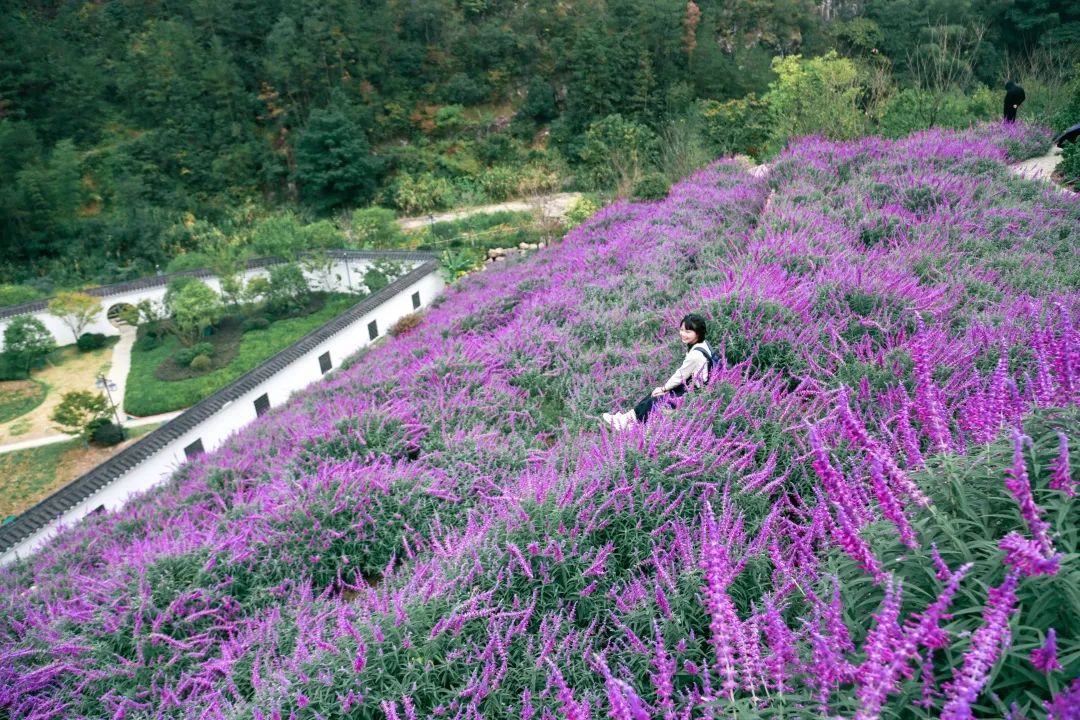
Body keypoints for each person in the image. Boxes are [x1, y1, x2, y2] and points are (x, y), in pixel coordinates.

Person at [602, 313, 713, 430]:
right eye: (682, 330)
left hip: (694, 394)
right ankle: (626, 419)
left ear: (698, 333)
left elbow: (680, 375)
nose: (683, 334)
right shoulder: (703, 344)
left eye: (688, 332)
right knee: (653, 395)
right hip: (693, 387)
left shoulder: (695, 355)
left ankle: (631, 425)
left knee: (656, 400)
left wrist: (664, 388)